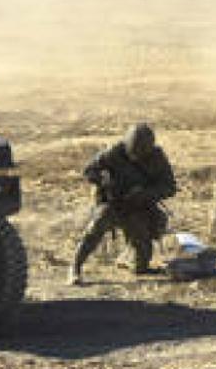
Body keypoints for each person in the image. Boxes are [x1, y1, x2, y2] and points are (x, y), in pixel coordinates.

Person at [68, 122, 177, 285]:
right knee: (96, 227)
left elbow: (170, 187)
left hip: (139, 207)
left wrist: (145, 193)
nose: (136, 155)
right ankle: (75, 267)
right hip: (114, 203)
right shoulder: (113, 152)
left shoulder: (157, 158)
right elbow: (89, 171)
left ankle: (128, 259)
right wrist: (103, 181)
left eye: (141, 152)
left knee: (141, 267)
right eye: (133, 151)